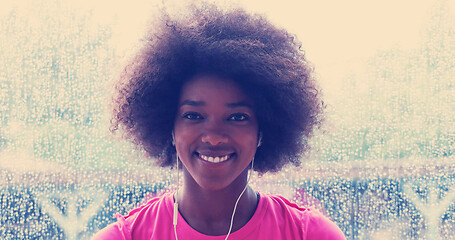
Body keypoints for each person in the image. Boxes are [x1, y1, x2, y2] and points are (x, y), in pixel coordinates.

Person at [92, 2, 346, 240]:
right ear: (168, 125)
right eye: (193, 116)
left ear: (263, 130)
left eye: (237, 117)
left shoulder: (309, 234)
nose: (213, 136)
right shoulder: (125, 237)